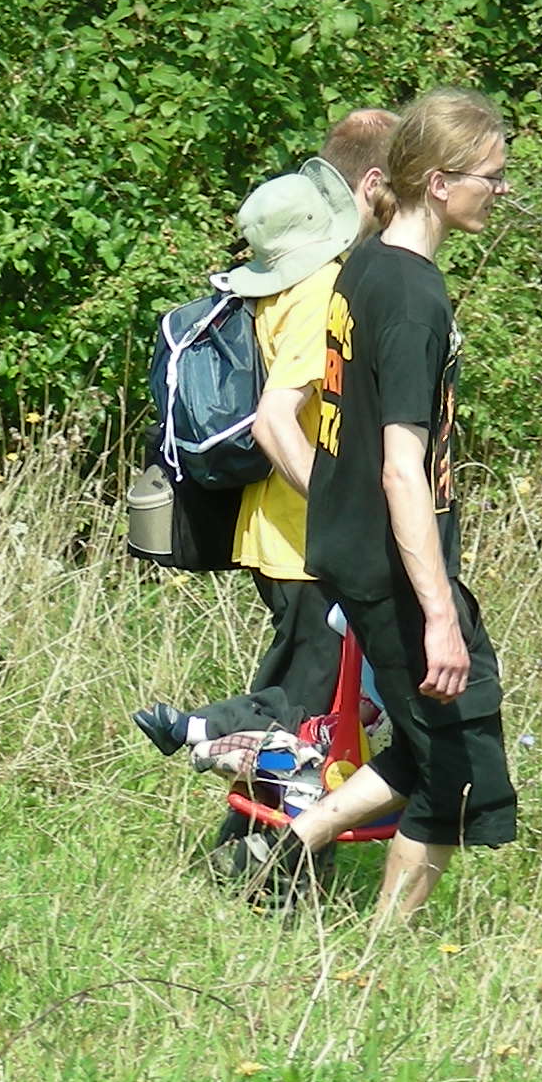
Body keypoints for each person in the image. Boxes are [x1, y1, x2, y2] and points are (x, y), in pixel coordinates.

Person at [279, 90, 516, 921]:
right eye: (492, 177)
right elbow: (401, 469)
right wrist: (440, 614)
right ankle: (382, 956)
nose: (501, 192)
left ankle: (293, 842)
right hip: (392, 562)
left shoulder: (365, 264)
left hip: (354, 548)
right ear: (441, 182)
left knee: (432, 737)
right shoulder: (414, 297)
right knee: (459, 770)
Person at [135, 109, 396, 753]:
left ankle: (226, 773)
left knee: (320, 706)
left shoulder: (284, 283)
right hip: (303, 533)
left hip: (280, 527)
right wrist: (344, 512)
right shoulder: (319, 287)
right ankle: (202, 732)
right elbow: (277, 419)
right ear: (372, 185)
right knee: (311, 713)